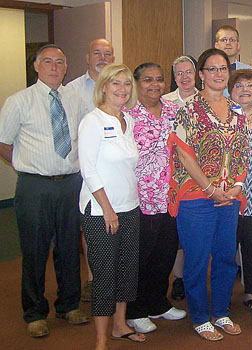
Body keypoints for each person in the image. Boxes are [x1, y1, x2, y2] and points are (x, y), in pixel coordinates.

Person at [0, 44, 89, 338]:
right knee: (35, 250)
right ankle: (35, 312)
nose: (54, 67)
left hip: (70, 184)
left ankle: (68, 305)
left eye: (60, 62)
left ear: (66, 68)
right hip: (34, 185)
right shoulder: (19, 101)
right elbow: (3, 141)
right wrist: (25, 163)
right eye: (48, 62)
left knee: (68, 248)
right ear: (36, 66)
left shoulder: (76, 100)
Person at [168, 48, 248, 341]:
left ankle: (222, 312)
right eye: (211, 69)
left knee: (226, 257)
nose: (218, 74)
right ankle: (200, 317)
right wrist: (211, 189)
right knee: (198, 259)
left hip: (228, 198)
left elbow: (243, 152)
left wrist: (236, 187)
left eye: (222, 69)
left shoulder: (237, 109)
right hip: (197, 198)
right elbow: (184, 155)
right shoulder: (188, 109)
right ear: (200, 74)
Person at [78, 63, 145, 349]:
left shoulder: (126, 120)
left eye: (127, 84)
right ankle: (101, 340)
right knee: (105, 273)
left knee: (127, 270)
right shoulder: (92, 121)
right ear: (103, 86)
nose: (122, 89)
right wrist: (107, 208)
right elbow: (89, 169)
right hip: (101, 211)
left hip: (130, 207)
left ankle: (119, 325)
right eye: (115, 83)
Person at [123, 63, 187, 333]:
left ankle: (158, 302)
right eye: (148, 80)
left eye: (160, 80)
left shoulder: (175, 110)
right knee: (142, 255)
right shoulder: (127, 116)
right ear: (136, 83)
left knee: (166, 252)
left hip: (172, 196)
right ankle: (135, 310)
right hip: (141, 198)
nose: (155, 84)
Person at [65, 37, 115, 303]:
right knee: (89, 225)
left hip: (115, 169)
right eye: (97, 53)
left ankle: (109, 277)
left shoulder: (120, 88)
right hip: (84, 170)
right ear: (87, 57)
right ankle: (92, 279)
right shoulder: (71, 90)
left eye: (108, 53)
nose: (102, 58)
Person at [228, 69, 252, 315]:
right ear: (230, 91)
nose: (244, 90)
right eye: (239, 85)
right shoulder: (222, 116)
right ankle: (221, 296)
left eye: (250, 85)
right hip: (228, 195)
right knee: (225, 248)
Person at [163, 55, 199, 301]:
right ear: (174, 77)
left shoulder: (207, 99)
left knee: (194, 233)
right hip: (171, 174)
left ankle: (193, 278)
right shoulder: (164, 102)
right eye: (179, 74)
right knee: (175, 234)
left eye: (189, 72)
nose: (185, 77)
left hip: (200, 176)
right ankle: (178, 279)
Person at [214, 25, 252, 97]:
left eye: (232, 40)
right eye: (224, 40)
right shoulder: (210, 72)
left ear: (238, 45)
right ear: (216, 45)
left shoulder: (250, 71)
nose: (228, 43)